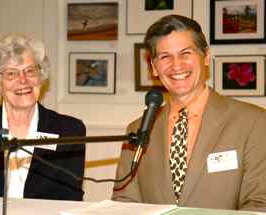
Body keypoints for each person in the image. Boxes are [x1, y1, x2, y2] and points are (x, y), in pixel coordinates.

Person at [112, 15, 266, 211]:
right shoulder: (138, 130)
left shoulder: (254, 122)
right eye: (165, 56)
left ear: (206, 57)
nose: (176, 65)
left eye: (185, 53)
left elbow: (260, 203)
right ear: (154, 67)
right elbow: (125, 203)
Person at [0, 34, 86, 201]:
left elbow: (69, 199)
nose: (23, 80)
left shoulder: (69, 130)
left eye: (30, 70)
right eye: (12, 74)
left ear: (41, 77)